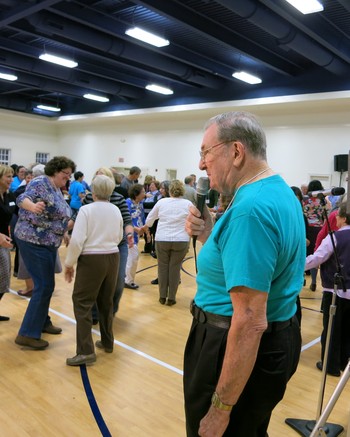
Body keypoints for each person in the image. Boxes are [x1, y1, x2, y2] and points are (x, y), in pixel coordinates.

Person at [183, 111, 305, 437]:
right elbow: (253, 265)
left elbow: (250, 320)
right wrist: (211, 232)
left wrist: (221, 408)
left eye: (206, 152)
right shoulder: (279, 192)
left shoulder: (250, 210)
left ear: (236, 152)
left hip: (229, 346)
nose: (201, 164)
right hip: (280, 336)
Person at [14, 156, 76, 350]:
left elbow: (59, 215)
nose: (68, 178)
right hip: (33, 239)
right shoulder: (41, 182)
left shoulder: (56, 188)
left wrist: (64, 232)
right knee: (43, 285)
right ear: (55, 171)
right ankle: (27, 334)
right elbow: (21, 199)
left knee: (46, 285)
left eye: (69, 174)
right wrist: (32, 207)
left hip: (48, 242)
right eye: (65, 174)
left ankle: (42, 322)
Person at [64, 175, 124, 366]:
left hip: (92, 258)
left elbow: (77, 240)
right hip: (113, 256)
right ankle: (107, 341)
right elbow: (120, 235)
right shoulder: (115, 209)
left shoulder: (86, 210)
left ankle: (85, 351)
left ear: (93, 191)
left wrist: (69, 264)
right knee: (105, 301)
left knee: (82, 302)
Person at [81, 167, 134, 323]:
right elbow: (79, 216)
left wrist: (130, 234)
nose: (100, 180)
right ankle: (96, 314)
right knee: (96, 283)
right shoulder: (89, 198)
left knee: (117, 282)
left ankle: (110, 311)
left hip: (118, 245)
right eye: (97, 177)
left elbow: (127, 220)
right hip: (95, 246)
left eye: (103, 177)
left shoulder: (118, 199)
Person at [305, 203, 350, 377]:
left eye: (337, 216)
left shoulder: (334, 238)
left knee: (332, 330)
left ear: (343, 218)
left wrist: (296, 265)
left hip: (335, 293)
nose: (335, 219)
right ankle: (345, 363)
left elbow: (317, 258)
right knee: (347, 330)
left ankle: (330, 365)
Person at [144, 180, 192, 306]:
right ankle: (171, 298)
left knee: (162, 267)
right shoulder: (188, 204)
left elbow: (149, 221)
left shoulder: (162, 202)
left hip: (162, 238)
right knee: (175, 268)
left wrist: (148, 227)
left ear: (170, 190)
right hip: (181, 240)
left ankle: (162, 296)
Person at [303, 180, 329, 291]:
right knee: (316, 254)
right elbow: (326, 214)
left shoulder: (304, 200)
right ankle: (314, 281)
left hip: (307, 228)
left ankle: (302, 278)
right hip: (319, 229)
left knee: (304, 254)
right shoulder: (322, 200)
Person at [124, 184, 149, 289]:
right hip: (128, 234)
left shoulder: (140, 203)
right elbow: (125, 219)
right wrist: (135, 229)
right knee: (134, 256)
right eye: (143, 192)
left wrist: (146, 231)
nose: (145, 194)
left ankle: (125, 278)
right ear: (136, 194)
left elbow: (142, 217)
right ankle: (128, 281)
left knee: (130, 257)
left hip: (137, 234)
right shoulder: (127, 203)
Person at [0, 165, 15, 321]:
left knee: (4, 278)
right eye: (8, 177)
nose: (11, 180)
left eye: (12, 176)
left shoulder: (9, 196)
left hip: (4, 241)